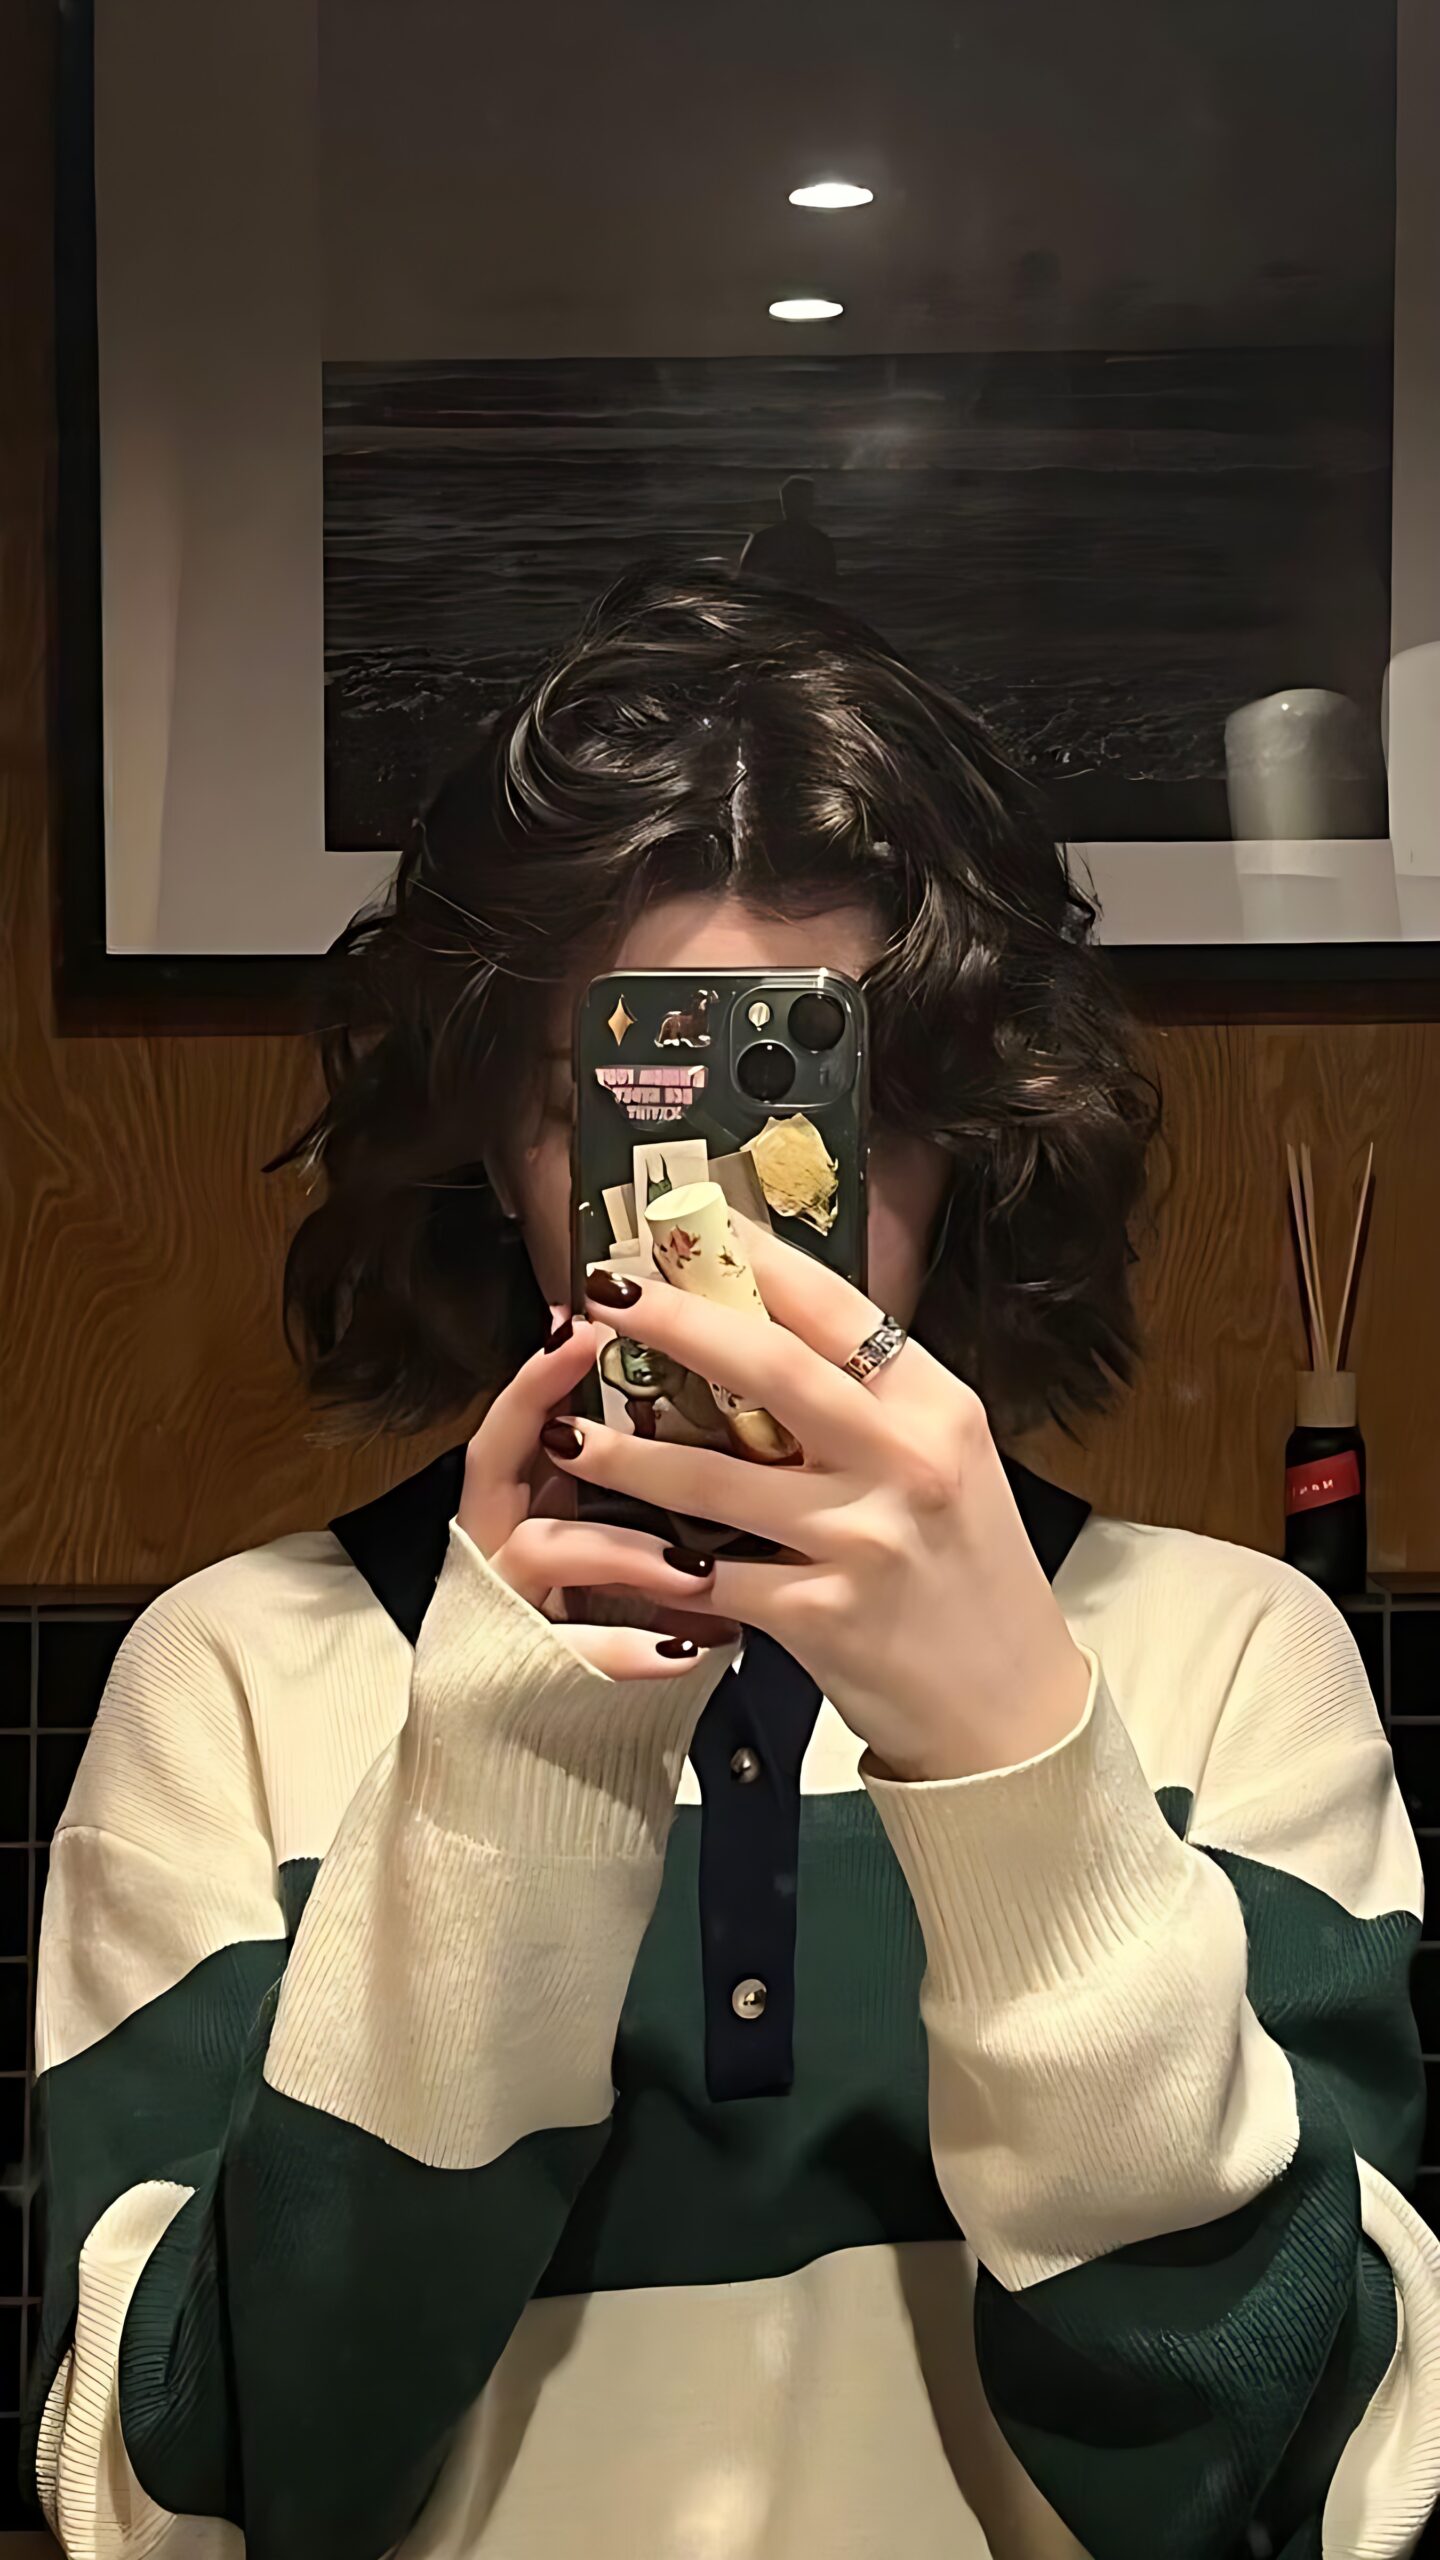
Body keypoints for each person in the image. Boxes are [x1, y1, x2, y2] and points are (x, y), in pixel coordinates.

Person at [29, 571, 1440, 2560]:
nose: (728, 1225)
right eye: (609, 1108)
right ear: (497, 1148)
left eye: (827, 1102)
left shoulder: (1229, 1660)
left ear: (964, 1135)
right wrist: (508, 1772)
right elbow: (189, 2503)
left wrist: (1020, 1769)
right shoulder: (240, 1678)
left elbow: (1308, 2485)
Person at [739, 472, 838, 592]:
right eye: (803, 499)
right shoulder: (820, 542)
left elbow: (744, 580)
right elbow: (830, 583)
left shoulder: (762, 538)